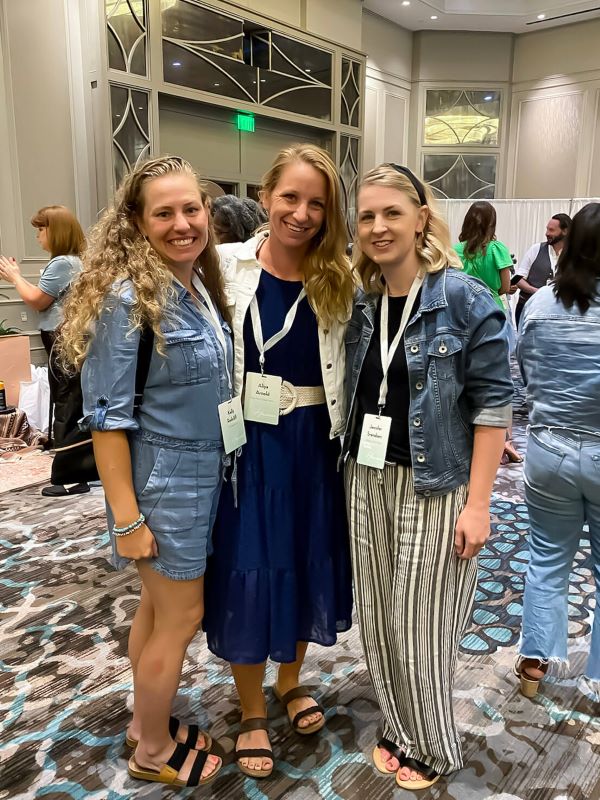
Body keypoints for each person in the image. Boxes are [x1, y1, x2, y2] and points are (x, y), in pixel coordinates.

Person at [58, 156, 229, 788]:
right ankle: (153, 751)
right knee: (180, 619)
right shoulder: (127, 300)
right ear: (136, 221)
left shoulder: (193, 284)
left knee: (158, 614)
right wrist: (128, 518)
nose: (183, 223)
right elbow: (107, 421)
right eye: (165, 212)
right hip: (164, 483)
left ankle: (143, 723)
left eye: (192, 209)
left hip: (202, 474)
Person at [343, 164, 512, 790]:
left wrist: (479, 505)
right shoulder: (361, 300)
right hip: (365, 479)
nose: (379, 227)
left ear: (421, 217)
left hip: (436, 486)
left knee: (423, 624)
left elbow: (494, 407)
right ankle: (398, 725)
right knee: (382, 619)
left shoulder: (465, 298)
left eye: (392, 213)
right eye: (367, 216)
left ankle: (432, 744)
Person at [203, 143, 354, 779]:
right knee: (249, 564)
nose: (301, 213)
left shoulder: (340, 273)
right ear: (265, 196)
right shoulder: (223, 263)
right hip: (248, 443)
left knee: (301, 556)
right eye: (290, 197)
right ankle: (251, 710)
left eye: (316, 203)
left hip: (314, 442)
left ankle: (291, 680)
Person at [515, 202, 600, 704]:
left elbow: (523, 374)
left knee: (546, 560)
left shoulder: (541, 305)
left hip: (548, 450)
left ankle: (531, 667)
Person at [0, 205, 88, 496]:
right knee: (69, 397)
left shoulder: (63, 263)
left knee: (66, 400)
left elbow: (37, 300)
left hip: (62, 338)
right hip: (70, 337)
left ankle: (71, 475)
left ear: (56, 231)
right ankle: (70, 460)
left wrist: (15, 276)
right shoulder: (75, 262)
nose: (37, 236)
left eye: (41, 229)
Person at [454, 201, 521, 464]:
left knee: (464, 376)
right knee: (499, 380)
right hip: (492, 313)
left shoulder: (456, 249)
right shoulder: (497, 248)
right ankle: (505, 441)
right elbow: (505, 286)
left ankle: (470, 435)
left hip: (462, 316)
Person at [514, 213, 571, 327]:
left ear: (565, 231)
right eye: (547, 229)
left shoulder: (573, 255)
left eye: (551, 230)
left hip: (559, 313)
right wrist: (537, 292)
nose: (547, 233)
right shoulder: (536, 249)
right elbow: (517, 279)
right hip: (530, 309)